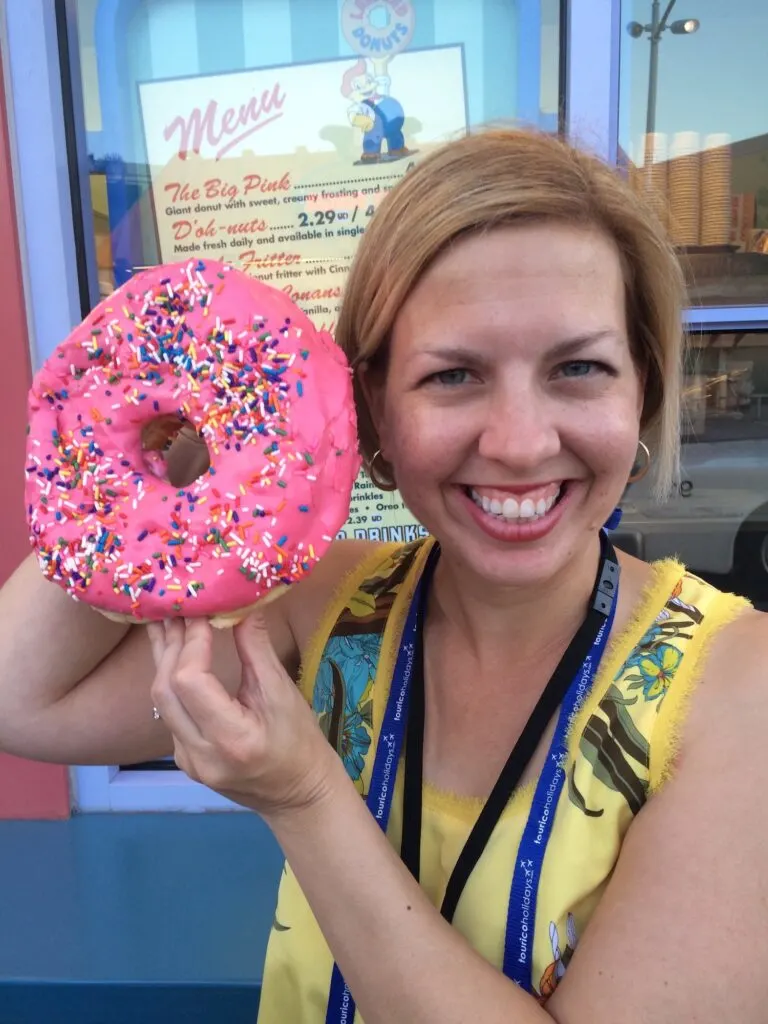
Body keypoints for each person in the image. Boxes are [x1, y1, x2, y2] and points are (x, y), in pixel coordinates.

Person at [1, 129, 767, 1024]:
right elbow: (23, 697)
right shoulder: (325, 606)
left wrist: (304, 797)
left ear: (643, 388)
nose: (520, 442)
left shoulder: (736, 691)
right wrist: (167, 433)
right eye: (453, 376)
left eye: (578, 368)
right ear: (372, 415)